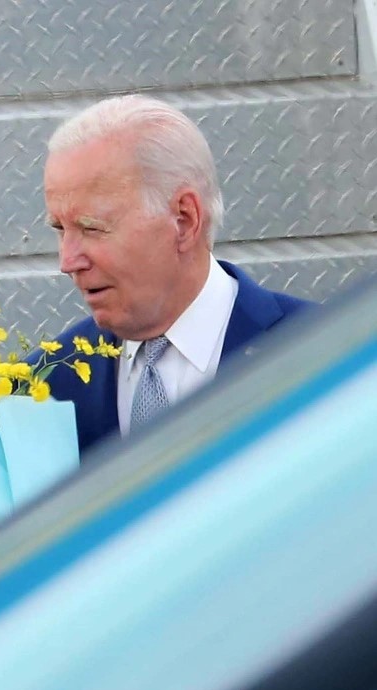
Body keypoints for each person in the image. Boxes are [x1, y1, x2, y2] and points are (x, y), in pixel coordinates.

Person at [38, 94, 312, 454]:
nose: (68, 261)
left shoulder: (325, 356)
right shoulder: (47, 385)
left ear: (184, 220)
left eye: (92, 228)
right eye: (60, 229)